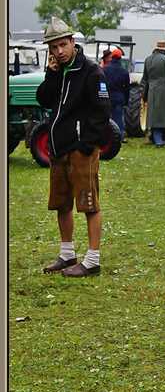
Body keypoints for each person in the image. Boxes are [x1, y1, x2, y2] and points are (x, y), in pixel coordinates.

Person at [36, 17, 110, 278]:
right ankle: (67, 254)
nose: (59, 51)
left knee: (88, 202)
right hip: (58, 148)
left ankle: (92, 260)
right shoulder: (58, 70)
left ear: (73, 42)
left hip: (80, 148)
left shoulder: (91, 70)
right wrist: (52, 73)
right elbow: (44, 99)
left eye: (63, 45)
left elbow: (102, 111)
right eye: (54, 48)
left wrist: (87, 144)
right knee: (61, 203)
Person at [103, 47, 130, 141]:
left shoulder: (105, 69)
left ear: (111, 57)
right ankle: (120, 136)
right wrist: (126, 101)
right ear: (120, 58)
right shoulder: (124, 71)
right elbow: (127, 88)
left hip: (107, 97)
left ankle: (107, 135)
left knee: (107, 117)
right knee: (118, 117)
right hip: (119, 97)